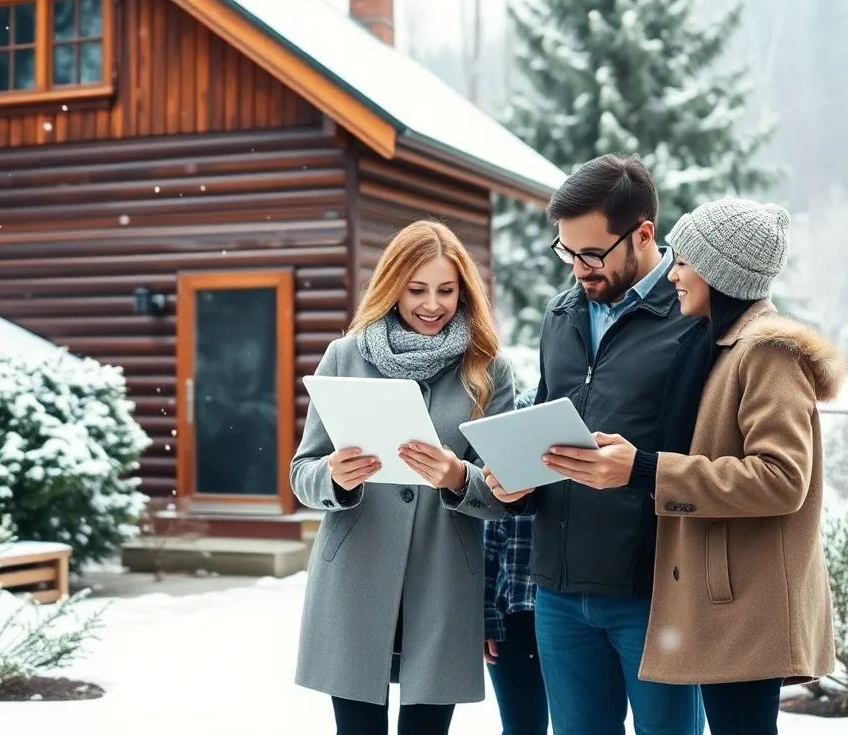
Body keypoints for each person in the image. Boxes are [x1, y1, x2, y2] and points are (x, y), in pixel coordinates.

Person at [547, 198, 844, 734]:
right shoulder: (719, 345)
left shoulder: (767, 354)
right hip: (723, 598)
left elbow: (781, 480)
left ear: (719, 272)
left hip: (747, 603)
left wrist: (644, 469)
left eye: (684, 262)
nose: (674, 273)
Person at [487, 154, 705, 735]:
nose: (578, 268)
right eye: (566, 252)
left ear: (643, 234)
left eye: (591, 253)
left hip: (656, 594)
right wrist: (515, 482)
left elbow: (713, 461)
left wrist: (637, 472)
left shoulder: (692, 319)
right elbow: (548, 428)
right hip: (558, 593)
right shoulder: (560, 316)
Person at [290, 220, 517, 735]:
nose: (431, 304)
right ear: (392, 287)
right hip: (354, 577)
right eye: (416, 289)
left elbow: (506, 493)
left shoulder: (487, 369)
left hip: (442, 579)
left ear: (463, 292)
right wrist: (335, 477)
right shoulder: (344, 356)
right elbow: (301, 473)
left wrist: (460, 477)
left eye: (445, 289)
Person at [482, 387, 550, 735]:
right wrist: (487, 614)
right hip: (517, 610)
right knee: (523, 726)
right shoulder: (518, 415)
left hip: (582, 604)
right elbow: (491, 526)